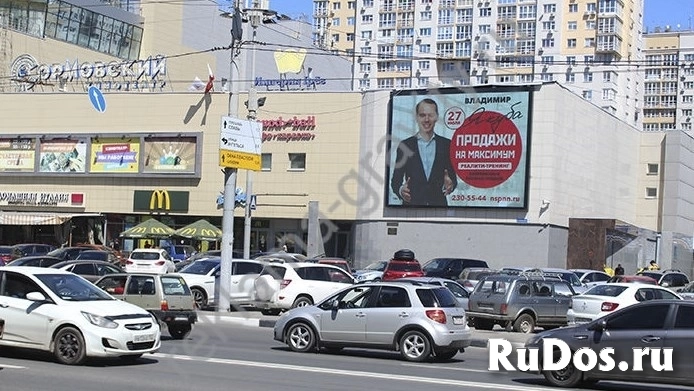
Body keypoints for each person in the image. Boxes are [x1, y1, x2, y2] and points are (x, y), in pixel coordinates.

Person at [391, 98, 457, 207]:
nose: (426, 119)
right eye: (422, 115)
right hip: (410, 208)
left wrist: (451, 185)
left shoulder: (447, 145)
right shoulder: (405, 146)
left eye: (430, 115)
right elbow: (395, 181)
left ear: (436, 117)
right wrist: (401, 190)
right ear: (416, 117)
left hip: (439, 209)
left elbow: (452, 179)